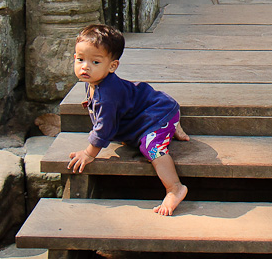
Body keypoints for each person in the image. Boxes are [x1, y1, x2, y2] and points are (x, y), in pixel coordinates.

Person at [67, 24, 189, 216]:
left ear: (112, 66)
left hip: (158, 112)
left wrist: (89, 153)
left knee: (151, 148)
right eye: (81, 59)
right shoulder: (95, 80)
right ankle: (172, 126)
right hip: (151, 109)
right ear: (75, 57)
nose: (85, 67)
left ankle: (175, 187)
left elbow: (104, 129)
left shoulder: (106, 96)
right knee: (132, 138)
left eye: (95, 62)